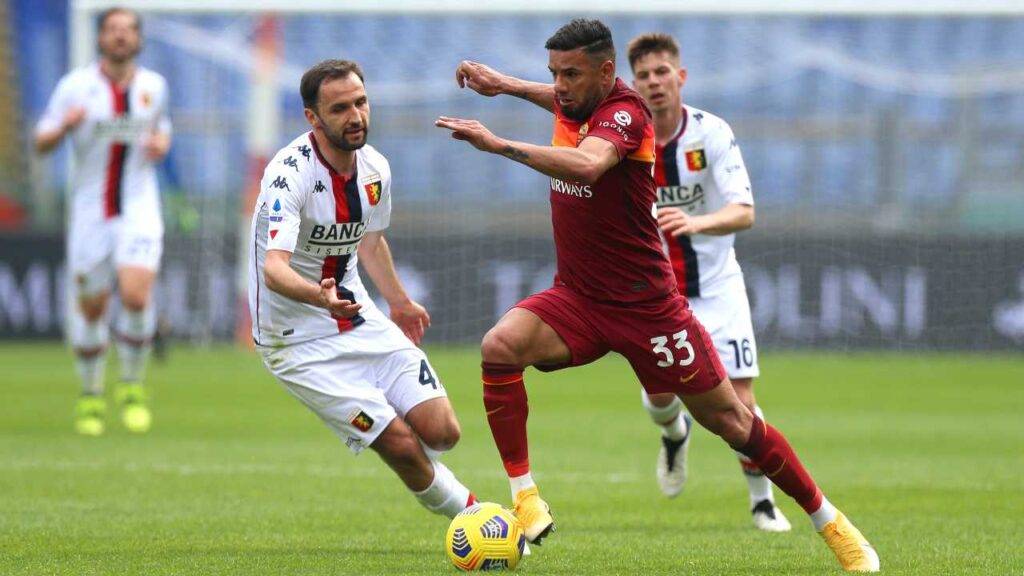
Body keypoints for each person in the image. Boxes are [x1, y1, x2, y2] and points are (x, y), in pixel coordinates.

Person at [436, 18, 879, 572]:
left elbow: (589, 164)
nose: (561, 85)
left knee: (735, 423)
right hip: (578, 297)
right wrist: (505, 84)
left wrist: (497, 143)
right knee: (499, 346)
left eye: (571, 74)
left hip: (649, 309)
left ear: (606, 71)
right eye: (554, 74)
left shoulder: (626, 114)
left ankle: (832, 523)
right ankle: (526, 499)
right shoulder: (574, 100)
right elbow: (557, 99)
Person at [249, 59, 476, 519]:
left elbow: (370, 241)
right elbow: (275, 269)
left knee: (443, 431)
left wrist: (399, 300)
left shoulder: (375, 169)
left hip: (356, 316)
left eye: (361, 102)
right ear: (312, 118)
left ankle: (454, 497)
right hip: (296, 342)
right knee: (397, 443)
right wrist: (317, 296)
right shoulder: (287, 176)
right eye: (339, 109)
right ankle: (476, 518)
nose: (355, 117)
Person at [626, 32, 790, 532]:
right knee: (659, 400)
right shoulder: (626, 138)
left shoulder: (712, 133)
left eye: (661, 73)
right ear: (633, 84)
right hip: (656, 296)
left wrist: (694, 222)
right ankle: (675, 435)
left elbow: (745, 211)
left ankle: (763, 502)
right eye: (644, 76)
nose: (654, 83)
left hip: (718, 288)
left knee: (741, 401)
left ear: (681, 77)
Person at [35, 7, 171, 436]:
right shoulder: (75, 87)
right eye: (112, 30)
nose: (119, 37)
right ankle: (91, 393)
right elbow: (41, 141)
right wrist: (63, 128)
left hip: (139, 205)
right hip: (91, 210)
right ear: (99, 38)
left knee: (134, 294)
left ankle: (132, 386)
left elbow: (161, 131)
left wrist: (161, 143)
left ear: (137, 38)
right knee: (92, 307)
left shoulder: (153, 87)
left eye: (127, 30)